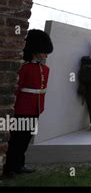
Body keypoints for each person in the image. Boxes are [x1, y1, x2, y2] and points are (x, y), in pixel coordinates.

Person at [2, 30, 53, 179]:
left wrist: (40, 108)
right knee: (16, 140)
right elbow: (17, 90)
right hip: (22, 109)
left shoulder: (45, 69)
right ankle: (9, 167)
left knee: (25, 140)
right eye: (43, 52)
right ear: (35, 50)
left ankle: (19, 164)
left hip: (35, 109)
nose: (45, 55)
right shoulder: (24, 67)